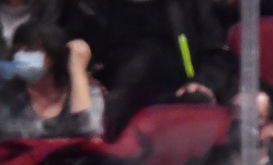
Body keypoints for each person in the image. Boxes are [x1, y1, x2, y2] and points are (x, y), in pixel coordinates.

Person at [61, 0, 236, 140]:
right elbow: (74, 56)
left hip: (178, 95)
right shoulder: (91, 8)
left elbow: (218, 55)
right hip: (116, 102)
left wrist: (203, 82)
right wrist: (90, 82)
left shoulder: (188, 5)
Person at [0, 20, 103, 140]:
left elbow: (90, 131)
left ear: (53, 54)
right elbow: (7, 137)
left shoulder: (88, 91)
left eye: (30, 51)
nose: (21, 57)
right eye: (17, 51)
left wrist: (77, 73)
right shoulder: (5, 92)